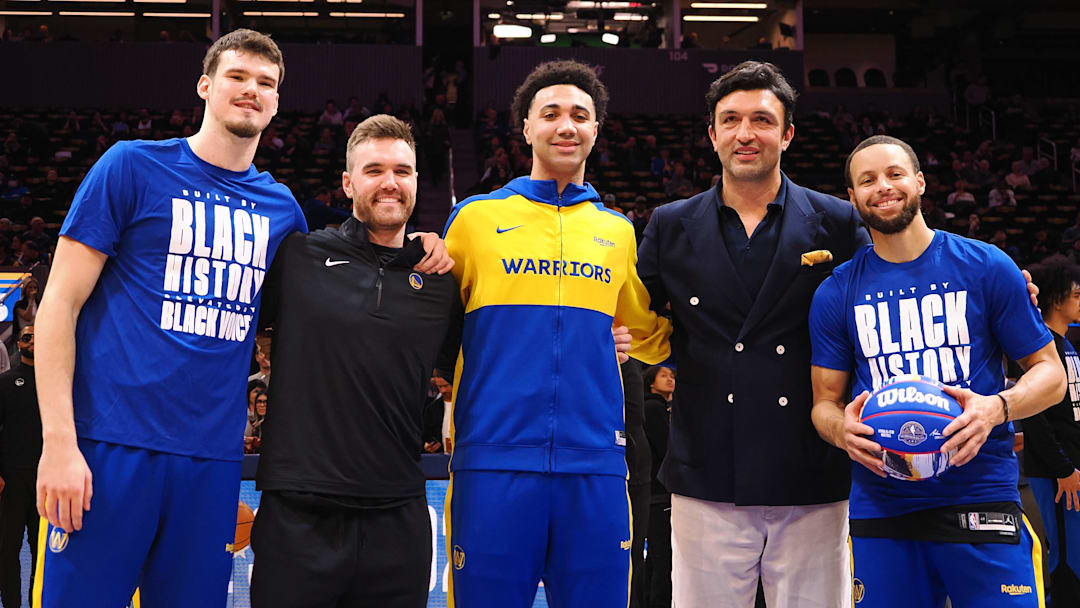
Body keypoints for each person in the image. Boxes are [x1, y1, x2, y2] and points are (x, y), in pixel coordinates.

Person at [32, 30, 446, 607]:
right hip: (108, 448)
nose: (251, 90)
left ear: (277, 102)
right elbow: (59, 305)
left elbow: (340, 295)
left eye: (266, 83)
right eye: (238, 76)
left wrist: (417, 248)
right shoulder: (130, 167)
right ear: (205, 85)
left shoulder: (282, 214)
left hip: (212, 465)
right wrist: (58, 443)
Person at [636, 60, 870, 607]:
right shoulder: (670, 224)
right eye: (732, 120)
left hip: (811, 467)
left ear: (787, 134)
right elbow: (629, 312)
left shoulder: (836, 220)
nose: (746, 134)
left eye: (762, 120)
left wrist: (992, 285)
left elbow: (897, 283)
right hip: (706, 466)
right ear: (712, 133)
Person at [442, 59, 672, 608]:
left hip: (595, 463)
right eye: (551, 114)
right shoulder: (473, 220)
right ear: (525, 127)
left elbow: (645, 331)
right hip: (493, 461)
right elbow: (430, 322)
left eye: (580, 115)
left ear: (596, 129)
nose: (566, 125)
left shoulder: (617, 232)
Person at [809, 135, 1066, 608]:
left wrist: (996, 407)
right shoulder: (836, 292)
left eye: (894, 174)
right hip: (882, 505)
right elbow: (824, 404)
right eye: (866, 180)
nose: (882, 187)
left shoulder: (987, 266)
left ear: (920, 182)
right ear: (851, 198)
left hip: (982, 496)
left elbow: (1050, 373)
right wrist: (841, 430)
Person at [250, 114, 458, 608]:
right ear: (347, 183)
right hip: (298, 511)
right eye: (374, 170)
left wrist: (607, 337)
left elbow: (491, 356)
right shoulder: (298, 256)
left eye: (402, 171)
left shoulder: (441, 281)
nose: (390, 183)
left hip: (399, 515)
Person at [1022, 258, 1080, 606]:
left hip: (1071, 468)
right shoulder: (1041, 348)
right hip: (1059, 473)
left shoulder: (1068, 346)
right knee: (1066, 554)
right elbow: (1037, 418)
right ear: (1057, 299)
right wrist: (1063, 470)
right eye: (1077, 294)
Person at [0, 325, 39, 607]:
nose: (33, 340)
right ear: (19, 343)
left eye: (38, 335)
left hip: (45, 482)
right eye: (27, 336)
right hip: (10, 480)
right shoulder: (5, 383)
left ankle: (39, 602)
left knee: (44, 554)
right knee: (7, 550)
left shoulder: (60, 384)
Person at [642, 365, 674, 608]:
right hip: (660, 494)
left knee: (655, 560)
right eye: (663, 375)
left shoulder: (660, 408)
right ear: (651, 381)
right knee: (664, 562)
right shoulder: (653, 407)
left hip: (654, 494)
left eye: (672, 375)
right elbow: (667, 450)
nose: (670, 379)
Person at [422, 374, 453, 454]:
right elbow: (425, 435)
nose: (443, 390)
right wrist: (427, 447)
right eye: (439, 387)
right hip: (440, 459)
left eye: (446, 386)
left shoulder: (468, 406)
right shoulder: (432, 409)